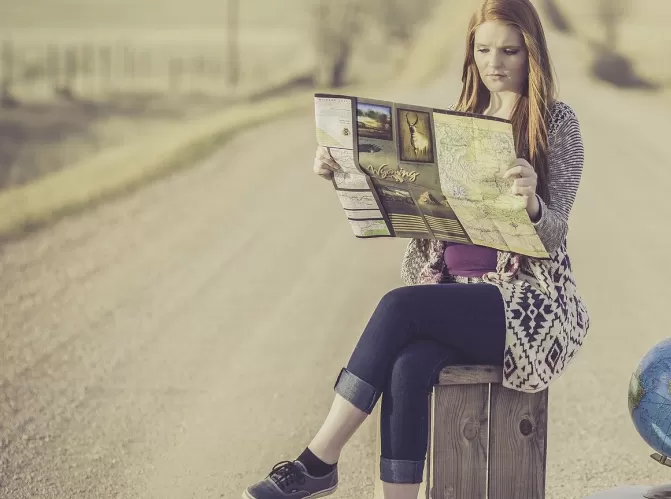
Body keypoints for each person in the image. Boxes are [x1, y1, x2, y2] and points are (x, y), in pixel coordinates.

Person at [241, 0, 589, 498]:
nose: (495, 63)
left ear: (532, 53)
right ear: (471, 53)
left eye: (510, 51)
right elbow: (409, 201)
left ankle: (319, 460)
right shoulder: (458, 122)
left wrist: (533, 201)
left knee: (398, 305)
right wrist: (345, 171)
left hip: (524, 305)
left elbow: (554, 235)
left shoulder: (557, 124)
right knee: (407, 365)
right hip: (450, 293)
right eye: (484, 49)